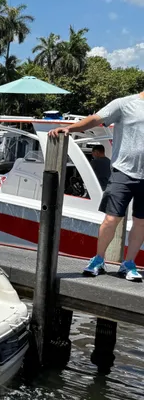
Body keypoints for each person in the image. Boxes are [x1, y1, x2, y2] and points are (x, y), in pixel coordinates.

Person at [49, 91, 144, 281]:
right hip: (123, 171)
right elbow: (95, 119)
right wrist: (71, 128)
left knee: (141, 222)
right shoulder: (124, 104)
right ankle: (99, 259)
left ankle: (128, 264)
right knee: (111, 219)